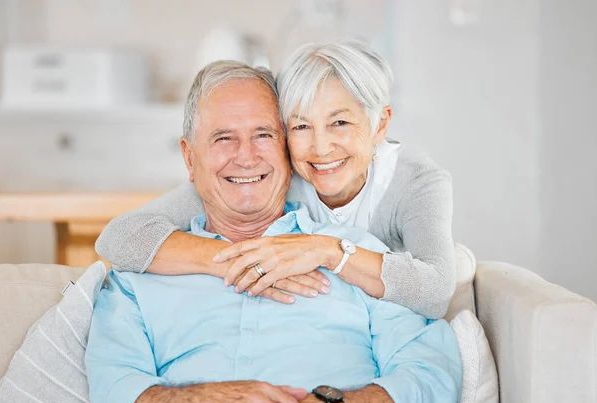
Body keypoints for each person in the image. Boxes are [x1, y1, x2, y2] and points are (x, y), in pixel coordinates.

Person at [85, 61, 462, 403]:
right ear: (189, 158)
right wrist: (199, 401)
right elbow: (113, 386)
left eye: (263, 135)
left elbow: (431, 372)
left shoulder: (360, 257)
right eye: (223, 138)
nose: (246, 157)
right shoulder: (138, 277)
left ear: (287, 149)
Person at [95, 40, 456, 319]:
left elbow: (436, 291)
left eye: (340, 123)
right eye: (300, 126)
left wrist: (325, 251)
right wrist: (247, 259)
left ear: (379, 125)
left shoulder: (416, 182)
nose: (321, 148)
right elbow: (120, 237)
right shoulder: (278, 175)